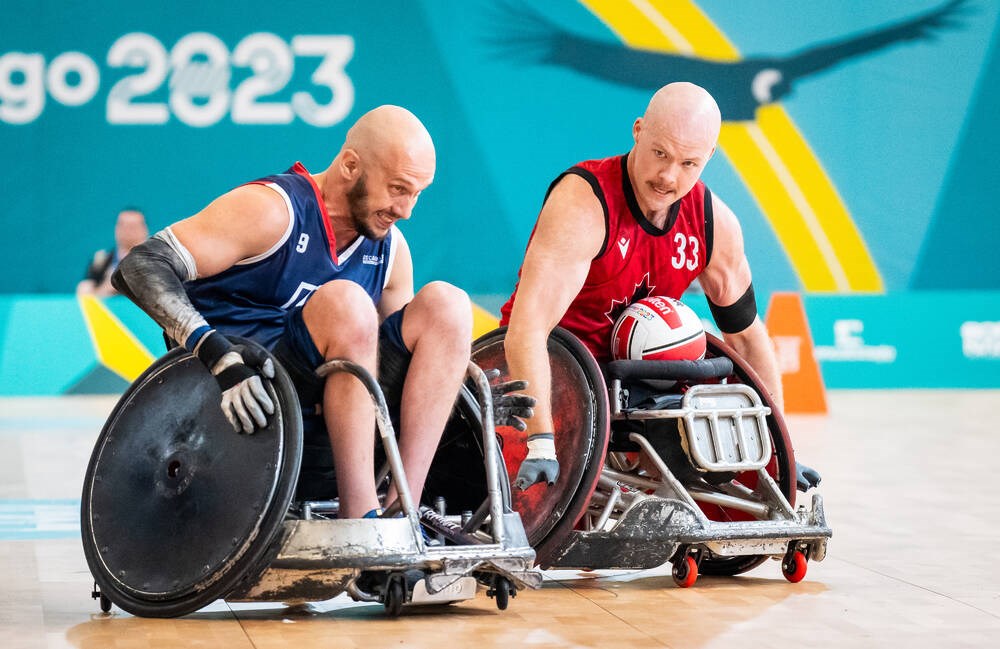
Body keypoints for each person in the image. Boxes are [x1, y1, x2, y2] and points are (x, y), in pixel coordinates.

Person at [112, 105, 532, 520]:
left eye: (417, 193)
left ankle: (403, 510)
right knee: (347, 304)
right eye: (398, 189)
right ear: (350, 165)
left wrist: (453, 393)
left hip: (330, 424)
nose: (406, 210)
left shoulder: (391, 250)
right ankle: (360, 517)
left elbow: (395, 369)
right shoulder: (272, 210)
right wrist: (219, 357)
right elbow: (137, 268)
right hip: (241, 404)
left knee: (448, 305)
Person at [500, 82, 821, 492]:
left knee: (706, 409)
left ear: (709, 157)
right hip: (558, 370)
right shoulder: (584, 202)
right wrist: (541, 442)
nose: (669, 176)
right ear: (638, 131)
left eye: (689, 163)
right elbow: (527, 331)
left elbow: (746, 338)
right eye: (660, 154)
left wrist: (780, 450)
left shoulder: (713, 222)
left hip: (638, 383)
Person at [76, 208, 148, 296]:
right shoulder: (101, 260)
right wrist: (108, 287)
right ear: (116, 229)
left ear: (145, 229)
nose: (128, 231)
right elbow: (85, 293)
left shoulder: (158, 260)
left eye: (133, 227)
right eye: (124, 226)